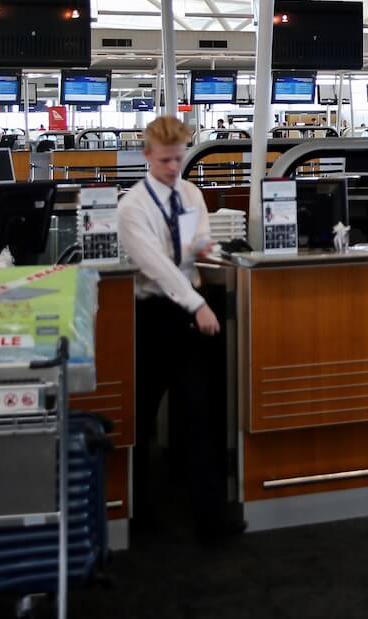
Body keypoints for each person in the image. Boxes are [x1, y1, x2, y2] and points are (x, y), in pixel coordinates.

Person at [118, 115, 242, 540]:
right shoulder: (132, 206)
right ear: (147, 155)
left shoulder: (190, 193)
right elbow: (158, 268)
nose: (174, 168)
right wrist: (199, 304)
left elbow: (192, 246)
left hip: (188, 314)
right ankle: (140, 517)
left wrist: (207, 247)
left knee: (200, 414)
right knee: (142, 417)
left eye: (179, 159)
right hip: (154, 314)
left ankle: (210, 519)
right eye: (166, 160)